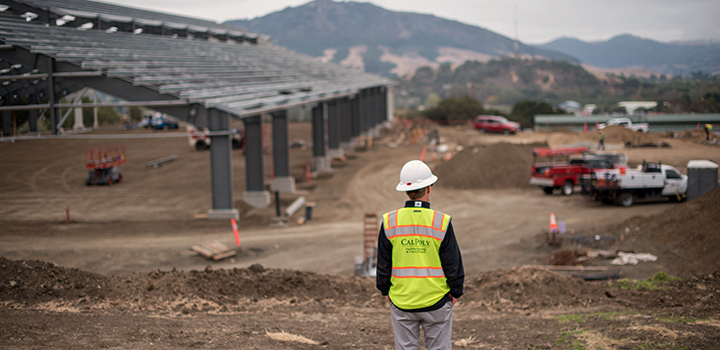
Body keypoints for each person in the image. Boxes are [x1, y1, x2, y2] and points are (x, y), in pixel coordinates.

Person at [376, 160, 464, 350]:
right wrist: (456, 291)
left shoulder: (389, 222)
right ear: (429, 188)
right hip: (437, 301)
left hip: (402, 301)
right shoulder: (441, 222)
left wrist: (384, 290)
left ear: (406, 191)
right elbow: (453, 262)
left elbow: (384, 263)